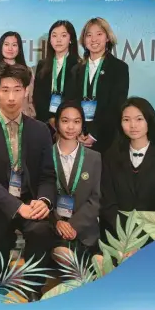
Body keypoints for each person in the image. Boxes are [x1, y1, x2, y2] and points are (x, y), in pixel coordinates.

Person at [0, 62, 58, 301]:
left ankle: (32, 285)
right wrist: (17, 207)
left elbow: (48, 174)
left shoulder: (40, 131)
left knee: (41, 230)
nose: (11, 97)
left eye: (17, 89)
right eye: (5, 90)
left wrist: (44, 201)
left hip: (30, 199)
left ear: (26, 91)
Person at [100, 97, 155, 240]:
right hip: (115, 236)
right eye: (126, 120)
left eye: (139, 119)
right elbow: (108, 204)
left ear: (149, 121)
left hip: (153, 237)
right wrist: (125, 237)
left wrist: (141, 239)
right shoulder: (109, 157)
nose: (133, 125)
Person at [67, 17, 129, 153]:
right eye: (89, 35)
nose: (93, 39)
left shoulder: (119, 68)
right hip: (77, 137)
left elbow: (116, 105)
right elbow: (71, 102)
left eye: (99, 34)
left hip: (106, 138)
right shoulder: (76, 70)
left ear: (107, 38)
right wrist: (77, 131)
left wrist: (94, 134)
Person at [51, 101, 101, 261]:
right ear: (56, 123)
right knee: (67, 260)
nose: (71, 127)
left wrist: (73, 225)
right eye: (65, 121)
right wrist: (58, 223)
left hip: (86, 231)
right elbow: (40, 196)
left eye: (76, 121)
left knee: (100, 265)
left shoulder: (94, 158)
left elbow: (96, 199)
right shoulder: (45, 155)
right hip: (55, 231)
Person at [33, 21, 80, 131]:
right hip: (44, 124)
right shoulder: (42, 65)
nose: (58, 40)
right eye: (54, 35)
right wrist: (50, 118)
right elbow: (38, 96)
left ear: (71, 39)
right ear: (50, 40)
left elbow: (77, 98)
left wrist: (62, 120)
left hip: (69, 126)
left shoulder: (79, 66)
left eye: (63, 35)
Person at [0, 31, 35, 119]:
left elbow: (30, 99)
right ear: (0, 47)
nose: (10, 48)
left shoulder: (28, 71)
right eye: (6, 44)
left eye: (14, 45)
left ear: (19, 48)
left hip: (24, 118)